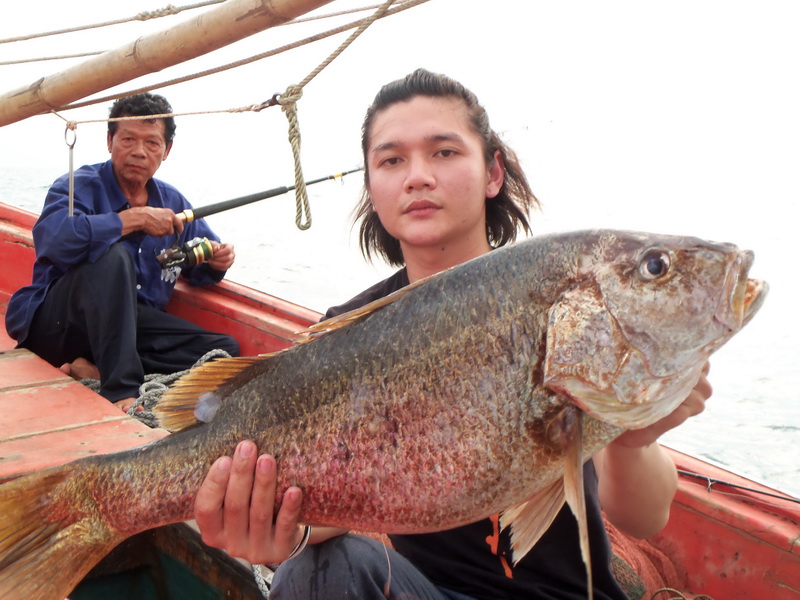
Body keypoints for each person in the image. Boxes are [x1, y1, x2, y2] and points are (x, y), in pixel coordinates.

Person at [192, 70, 713, 599]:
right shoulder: (350, 332)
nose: (418, 176)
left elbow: (643, 516)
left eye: (444, 152)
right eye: (391, 160)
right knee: (317, 568)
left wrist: (633, 438)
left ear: (493, 173)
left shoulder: (558, 303)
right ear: (372, 189)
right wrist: (280, 529)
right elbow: (336, 504)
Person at [4, 93, 240, 413]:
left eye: (152, 143)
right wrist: (130, 220)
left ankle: (91, 369)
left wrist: (217, 261)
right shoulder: (77, 185)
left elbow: (199, 265)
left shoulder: (172, 201)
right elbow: (54, 241)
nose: (139, 151)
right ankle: (121, 392)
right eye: (128, 139)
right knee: (114, 257)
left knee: (221, 351)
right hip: (61, 325)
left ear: (166, 150)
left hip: (128, 329)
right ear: (110, 141)